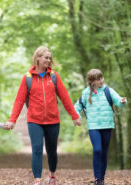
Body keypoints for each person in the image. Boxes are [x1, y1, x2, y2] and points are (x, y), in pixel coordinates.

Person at [5, 46, 81, 185]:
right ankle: (37, 180)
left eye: (49, 58)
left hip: (53, 120)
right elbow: (19, 100)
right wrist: (12, 119)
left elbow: (65, 97)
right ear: (37, 58)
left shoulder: (53, 76)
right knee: (37, 148)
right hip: (34, 120)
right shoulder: (27, 78)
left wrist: (74, 115)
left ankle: (52, 175)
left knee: (52, 151)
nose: (48, 60)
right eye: (46, 57)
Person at [74, 68, 127, 185]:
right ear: (92, 81)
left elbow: (118, 100)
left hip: (107, 125)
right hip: (93, 126)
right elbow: (76, 107)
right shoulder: (86, 93)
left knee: (104, 152)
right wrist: (76, 117)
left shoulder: (108, 91)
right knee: (97, 150)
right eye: (98, 79)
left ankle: (101, 179)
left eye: (101, 78)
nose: (101, 80)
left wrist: (122, 101)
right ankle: (97, 177)